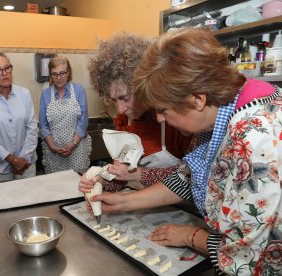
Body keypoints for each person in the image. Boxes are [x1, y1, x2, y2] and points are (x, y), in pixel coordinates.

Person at [88, 28, 282, 275]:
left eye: (163, 110)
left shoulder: (255, 140)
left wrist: (192, 236)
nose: (159, 119)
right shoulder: (217, 111)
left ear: (197, 99)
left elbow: (245, 257)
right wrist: (123, 202)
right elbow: (188, 175)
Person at [79, 32, 194, 193]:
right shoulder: (124, 120)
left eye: (125, 98)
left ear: (144, 87)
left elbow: (194, 176)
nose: (120, 109)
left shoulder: (174, 118)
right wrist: (101, 181)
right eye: (113, 100)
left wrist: (138, 174)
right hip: (145, 204)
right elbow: (121, 179)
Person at [0, 52, 38, 182]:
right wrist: (11, 159)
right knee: (4, 201)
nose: (4, 73)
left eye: (7, 68)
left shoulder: (24, 94)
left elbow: (32, 128)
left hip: (27, 164)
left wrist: (23, 159)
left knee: (29, 199)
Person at [39, 56, 91, 173]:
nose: (59, 78)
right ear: (50, 75)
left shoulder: (78, 91)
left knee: (78, 185)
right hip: (54, 153)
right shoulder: (45, 94)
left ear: (68, 73)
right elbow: (43, 125)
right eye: (54, 74)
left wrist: (72, 144)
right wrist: (52, 146)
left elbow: (83, 122)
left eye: (62, 73)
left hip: (76, 150)